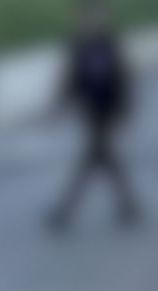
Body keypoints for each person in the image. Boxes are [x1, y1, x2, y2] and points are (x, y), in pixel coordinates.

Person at [47, 1, 141, 232]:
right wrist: (60, 105)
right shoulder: (78, 46)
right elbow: (70, 79)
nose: (88, 22)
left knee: (93, 158)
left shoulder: (110, 44)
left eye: (93, 17)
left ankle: (65, 212)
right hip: (89, 112)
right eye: (84, 18)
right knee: (103, 158)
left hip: (107, 111)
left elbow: (123, 80)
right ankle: (127, 206)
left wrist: (124, 112)